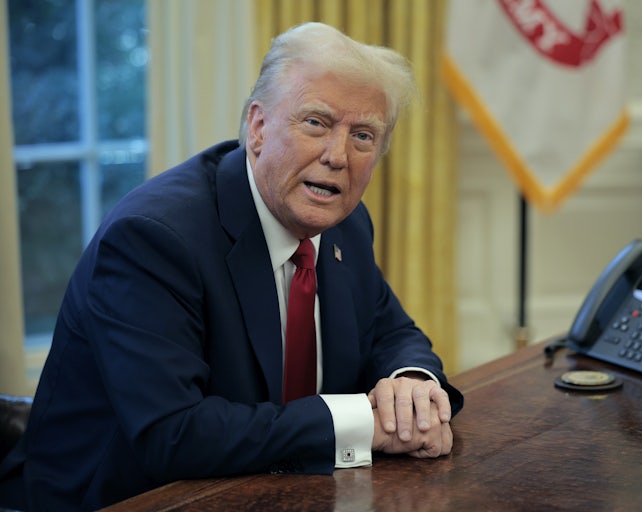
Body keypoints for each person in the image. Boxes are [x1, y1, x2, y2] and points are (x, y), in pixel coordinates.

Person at [0, 22, 463, 511]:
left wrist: (413, 384)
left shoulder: (344, 222)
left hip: (278, 492)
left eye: (363, 136)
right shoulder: (153, 238)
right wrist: (363, 423)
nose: (337, 156)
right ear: (258, 127)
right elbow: (173, 435)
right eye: (316, 123)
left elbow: (391, 332)